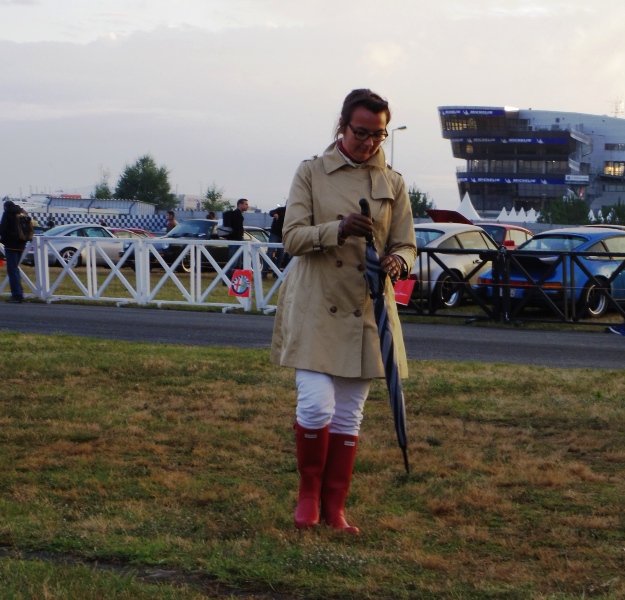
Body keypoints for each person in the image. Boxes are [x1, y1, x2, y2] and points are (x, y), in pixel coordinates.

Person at [271, 89, 416, 535]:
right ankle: (308, 497)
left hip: (368, 309)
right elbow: (291, 237)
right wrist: (337, 229)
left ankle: (335, 508)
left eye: (379, 135)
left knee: (350, 413)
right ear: (342, 125)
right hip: (316, 305)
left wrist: (398, 262)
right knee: (316, 406)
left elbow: (407, 243)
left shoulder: (393, 182)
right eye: (361, 132)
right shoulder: (311, 172)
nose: (369, 143)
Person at [0, 200, 29, 303]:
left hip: (11, 245)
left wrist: (3, 240)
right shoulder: (21, 212)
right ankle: (19, 293)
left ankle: (17, 295)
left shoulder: (7, 213)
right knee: (15, 269)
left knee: (12, 270)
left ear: (5, 207)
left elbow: (3, 229)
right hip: (21, 244)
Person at [225, 198, 249, 281]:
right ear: (240, 205)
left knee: (238, 262)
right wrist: (240, 238)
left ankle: (235, 279)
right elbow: (236, 229)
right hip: (235, 240)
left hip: (236, 240)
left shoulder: (238, 214)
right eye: (245, 204)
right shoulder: (237, 215)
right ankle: (227, 279)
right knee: (233, 261)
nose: (247, 206)